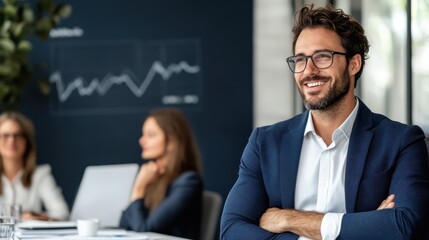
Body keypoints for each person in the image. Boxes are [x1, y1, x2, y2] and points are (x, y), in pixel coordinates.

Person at [221, 4, 429, 240]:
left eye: (322, 57)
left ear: (354, 64)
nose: (308, 70)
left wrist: (289, 219)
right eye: (300, 60)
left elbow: (405, 227)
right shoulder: (265, 143)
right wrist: (362, 226)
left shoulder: (401, 141)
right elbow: (232, 230)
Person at [119, 108, 203, 239]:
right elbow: (124, 224)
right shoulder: (153, 178)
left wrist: (138, 188)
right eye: (143, 134)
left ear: (171, 142)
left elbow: (144, 229)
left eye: (150, 135)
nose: (141, 141)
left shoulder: (189, 182)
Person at [0, 111, 69, 221]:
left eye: (17, 135)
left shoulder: (40, 175)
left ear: (27, 141)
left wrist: (36, 217)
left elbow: (62, 212)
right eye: (5, 135)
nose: (11, 140)